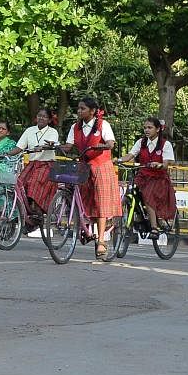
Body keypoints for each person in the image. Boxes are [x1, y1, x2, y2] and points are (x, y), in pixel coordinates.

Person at [60, 97, 119, 260]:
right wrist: (56, 145)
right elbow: (69, 145)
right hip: (84, 166)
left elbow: (111, 142)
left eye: (82, 108)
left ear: (92, 111)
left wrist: (105, 145)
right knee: (84, 200)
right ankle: (85, 230)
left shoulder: (103, 125)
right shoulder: (75, 127)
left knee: (101, 203)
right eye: (78, 108)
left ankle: (101, 241)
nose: (79, 111)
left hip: (101, 167)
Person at [124, 117, 177, 237]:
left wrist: (159, 165)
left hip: (159, 178)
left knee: (148, 196)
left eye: (150, 127)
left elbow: (166, 164)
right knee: (129, 190)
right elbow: (130, 155)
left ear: (158, 129)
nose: (146, 130)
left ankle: (154, 228)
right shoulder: (141, 142)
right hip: (143, 176)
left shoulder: (165, 144)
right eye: (145, 128)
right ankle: (137, 215)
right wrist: (118, 160)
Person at [10, 109, 59, 220]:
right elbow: (19, 147)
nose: (41, 118)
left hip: (46, 164)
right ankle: (24, 210)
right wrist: (5, 153)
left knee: (34, 183)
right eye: (39, 116)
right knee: (20, 183)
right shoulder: (29, 130)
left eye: (44, 116)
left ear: (49, 120)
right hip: (32, 164)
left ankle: (37, 209)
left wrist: (43, 147)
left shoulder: (52, 132)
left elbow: (51, 144)